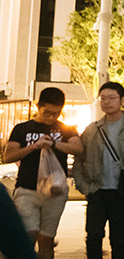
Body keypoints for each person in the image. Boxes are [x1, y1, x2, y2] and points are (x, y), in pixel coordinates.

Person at [74, 81, 124, 259]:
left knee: (120, 238)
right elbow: (79, 158)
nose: (106, 102)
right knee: (93, 236)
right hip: (97, 190)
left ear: (122, 100)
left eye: (112, 98)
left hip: (121, 192)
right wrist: (83, 186)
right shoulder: (92, 129)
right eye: (103, 98)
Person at [5, 86, 81, 259]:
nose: (51, 117)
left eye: (56, 113)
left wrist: (54, 144)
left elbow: (78, 148)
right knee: (27, 236)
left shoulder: (65, 129)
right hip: (26, 189)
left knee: (47, 239)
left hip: (54, 191)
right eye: (47, 112)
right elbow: (8, 155)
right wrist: (34, 146)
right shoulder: (22, 129)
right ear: (38, 106)